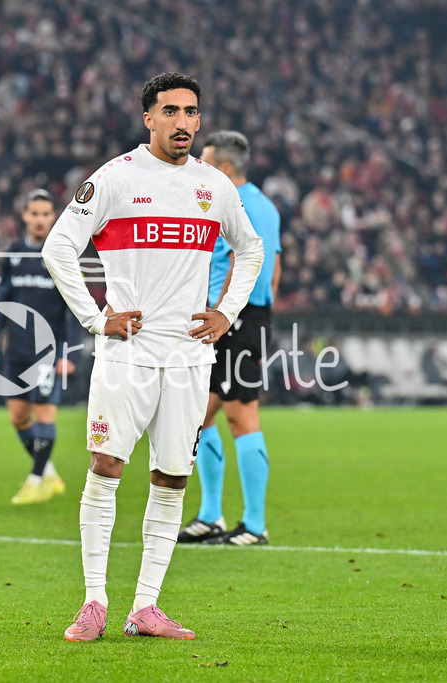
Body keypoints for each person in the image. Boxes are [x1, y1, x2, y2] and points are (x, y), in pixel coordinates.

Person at [43, 73, 264, 641]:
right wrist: (97, 318)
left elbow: (251, 247)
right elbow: (58, 246)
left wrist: (227, 312)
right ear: (149, 118)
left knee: (171, 478)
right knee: (106, 467)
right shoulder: (116, 179)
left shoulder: (214, 186)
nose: (184, 122)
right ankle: (93, 601)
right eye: (171, 111)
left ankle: (146, 607)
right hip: (128, 352)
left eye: (192, 112)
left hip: (190, 357)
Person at [177, 130, 281, 547]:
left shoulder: (241, 204)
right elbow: (274, 268)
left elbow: (243, 261)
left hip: (234, 318)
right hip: (240, 316)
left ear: (224, 167)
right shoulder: (264, 206)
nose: (197, 168)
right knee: (199, 415)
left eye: (204, 161)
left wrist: (227, 316)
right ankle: (211, 515)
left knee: (241, 415)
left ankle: (255, 525)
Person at [0, 189, 78, 505]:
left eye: (46, 214)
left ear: (54, 217)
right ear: (24, 215)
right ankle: (48, 473)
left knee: (43, 413)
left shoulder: (61, 254)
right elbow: (2, 301)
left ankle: (35, 480)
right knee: (18, 417)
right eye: (34, 214)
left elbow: (72, 311)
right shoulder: (13, 254)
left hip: (48, 352)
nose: (40, 220)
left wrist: (66, 354)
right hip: (17, 350)